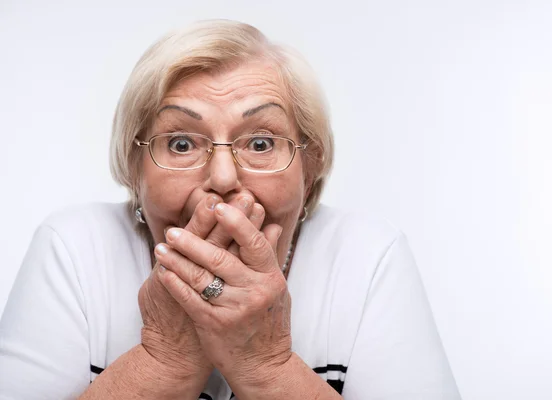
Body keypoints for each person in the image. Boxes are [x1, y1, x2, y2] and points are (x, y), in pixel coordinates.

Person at [0, 20, 461, 399]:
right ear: (133, 165)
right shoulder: (74, 248)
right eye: (180, 143)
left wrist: (266, 364)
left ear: (311, 163)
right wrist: (165, 357)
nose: (222, 178)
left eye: (261, 143)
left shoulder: (369, 256)